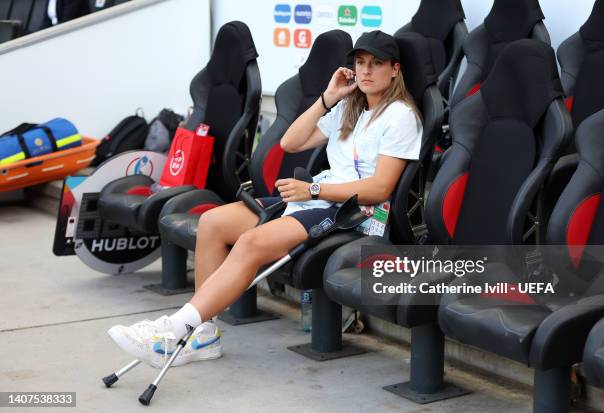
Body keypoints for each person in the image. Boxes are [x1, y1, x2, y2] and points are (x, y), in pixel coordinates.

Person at [107, 30, 423, 367]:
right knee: (213, 222)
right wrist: (328, 98)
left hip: (356, 213)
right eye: (360, 63)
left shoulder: (400, 116)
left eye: (376, 64)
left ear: (395, 69)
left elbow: (380, 189)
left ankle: (176, 329)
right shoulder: (349, 107)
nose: (366, 71)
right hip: (318, 198)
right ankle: (203, 336)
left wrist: (314, 190)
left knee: (249, 243)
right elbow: (291, 142)